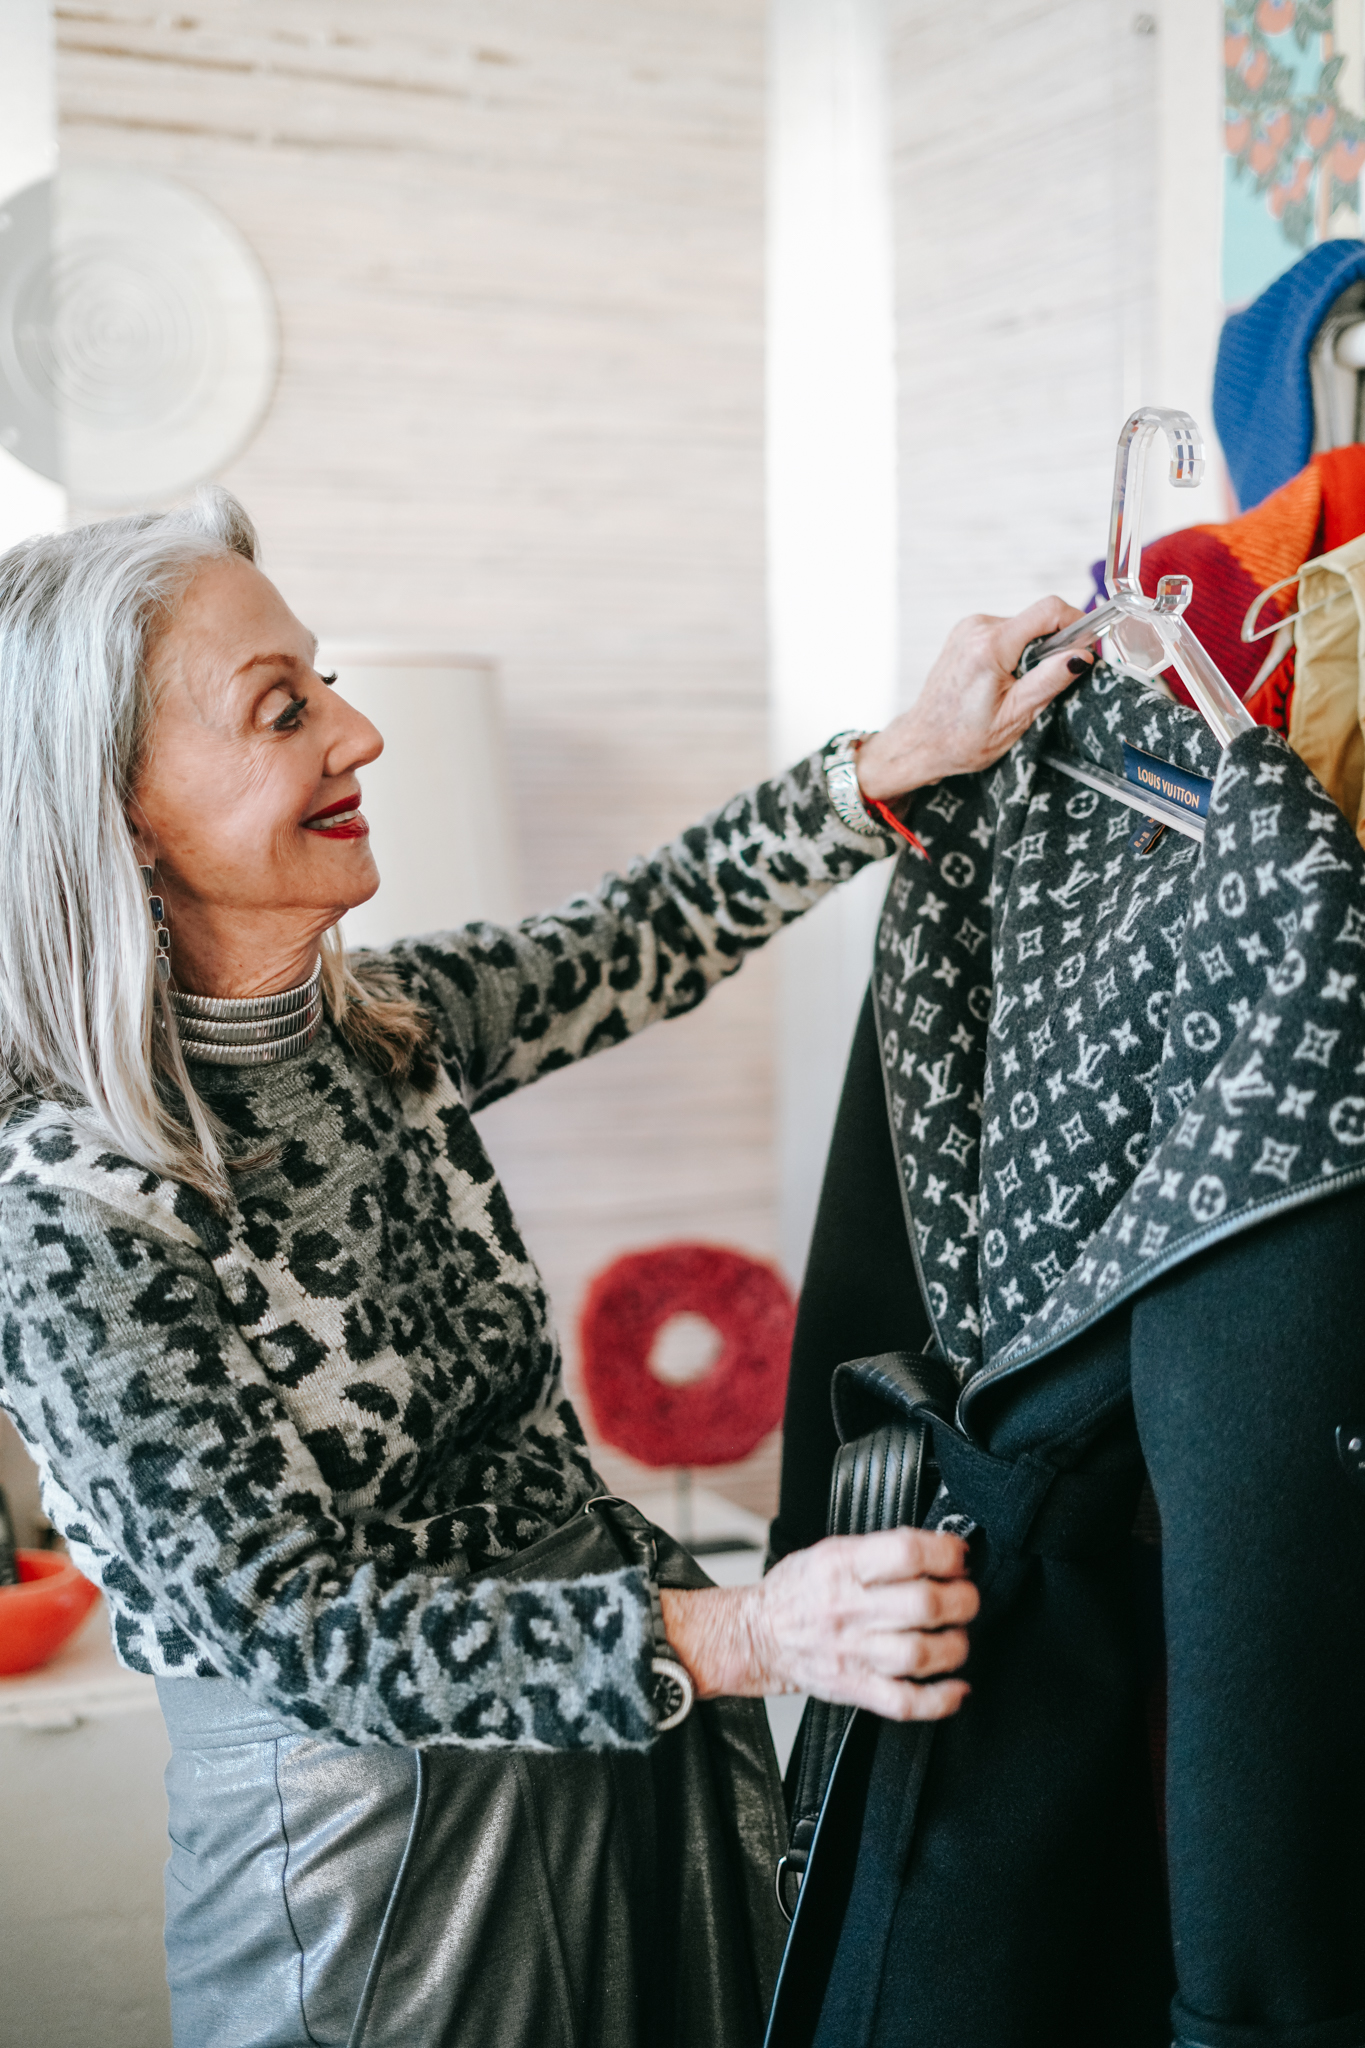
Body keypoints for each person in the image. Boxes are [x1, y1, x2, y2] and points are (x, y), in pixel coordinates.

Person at [0, 490, 1086, 2048]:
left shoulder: (377, 1033)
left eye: (329, 680)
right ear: (116, 809)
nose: (358, 732)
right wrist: (748, 1636)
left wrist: (895, 758)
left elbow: (636, 934)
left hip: (615, 1758)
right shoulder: (66, 1208)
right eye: (283, 708)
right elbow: (301, 1633)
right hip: (375, 1861)